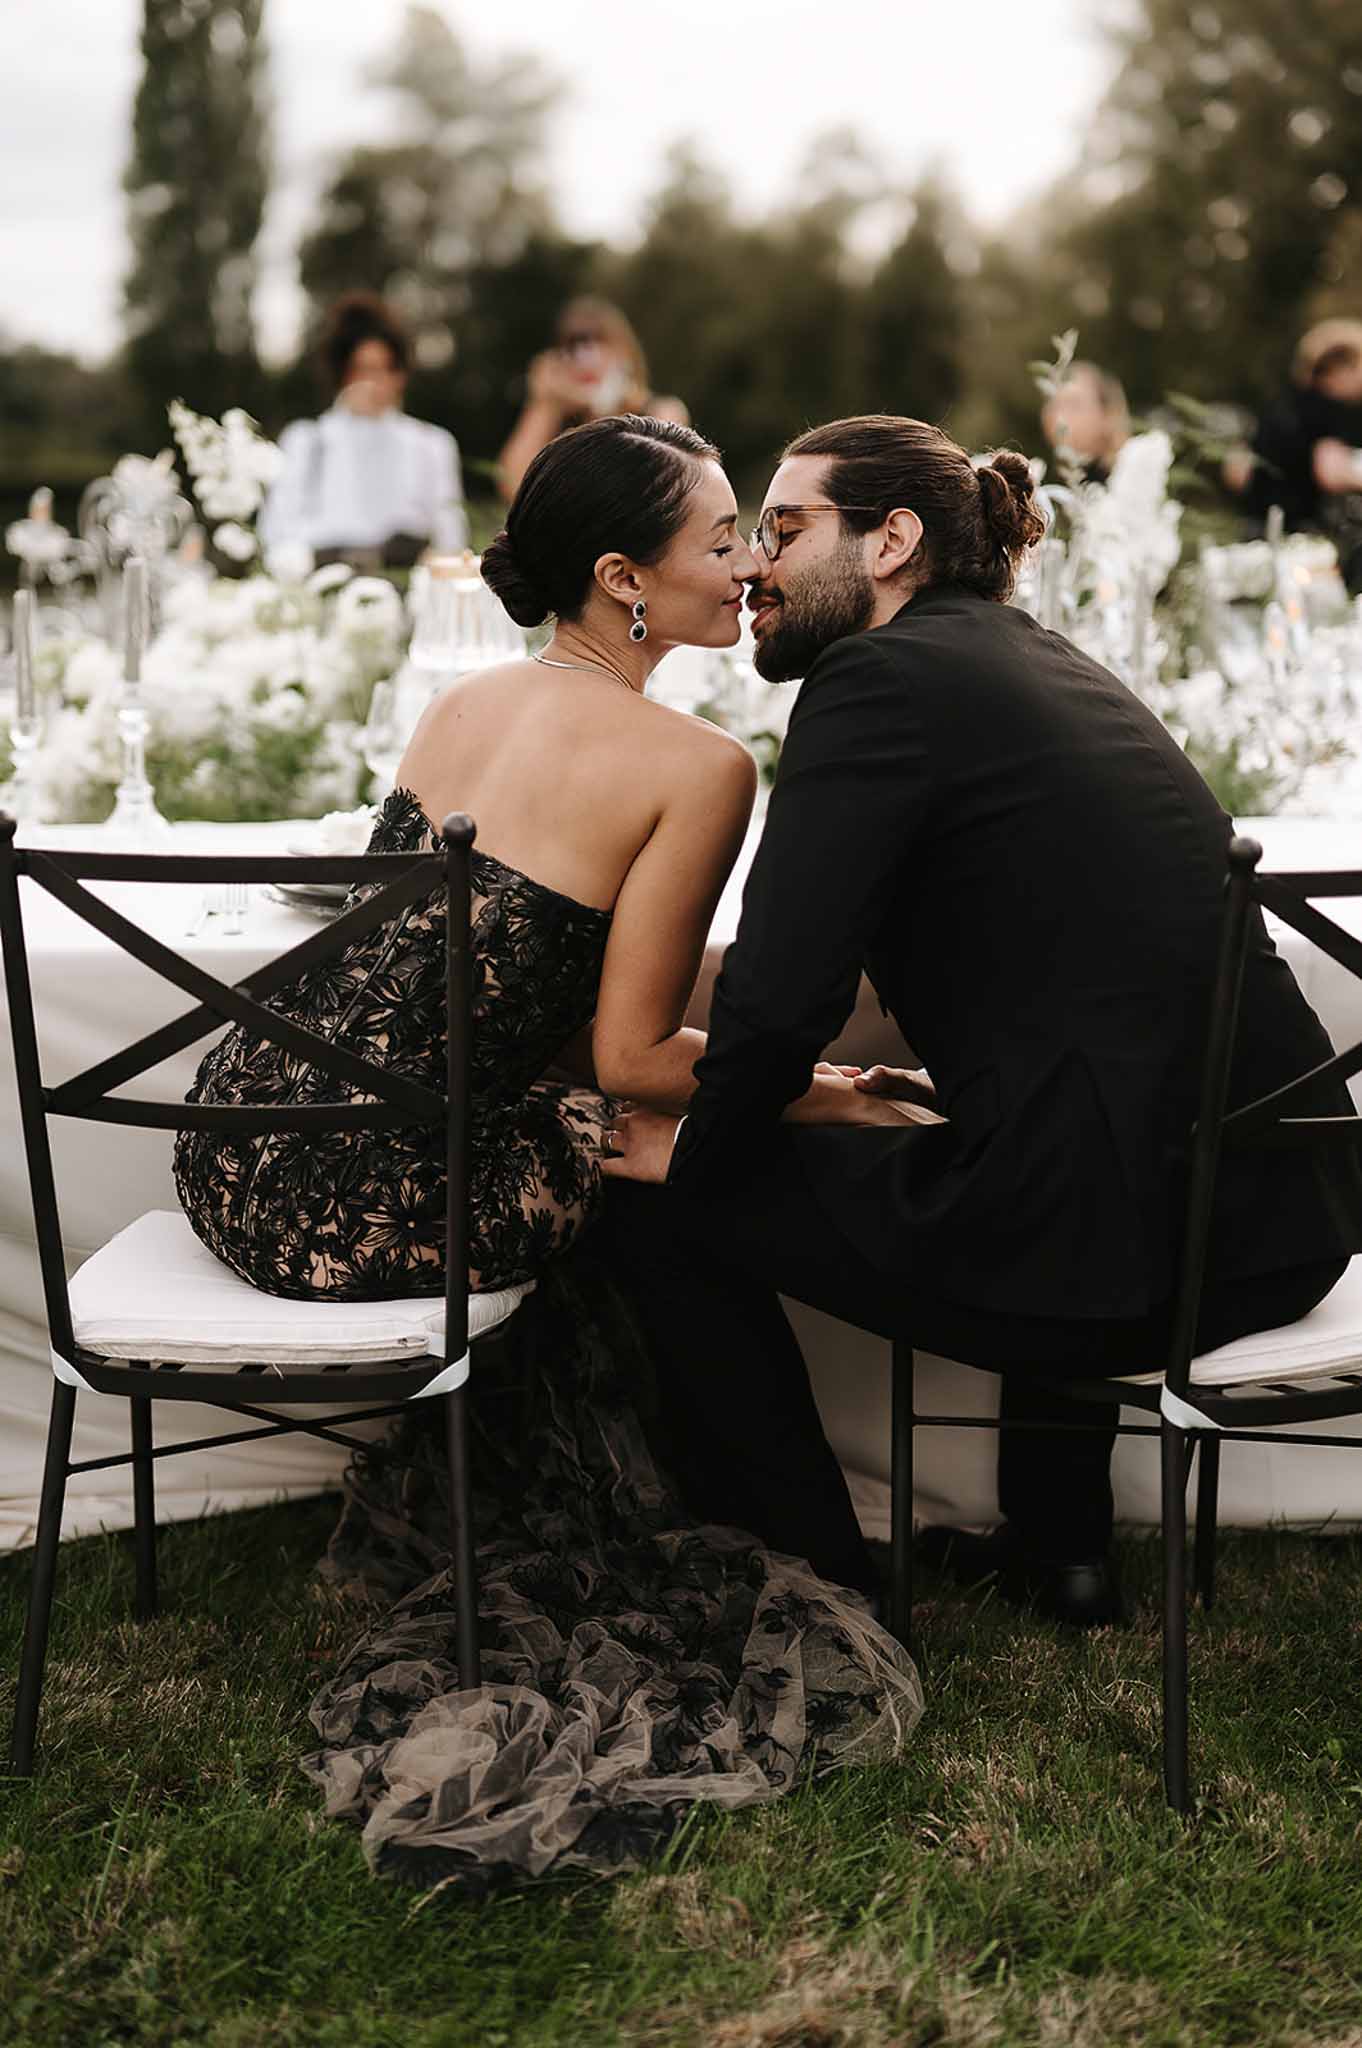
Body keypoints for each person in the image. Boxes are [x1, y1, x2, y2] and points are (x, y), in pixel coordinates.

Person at [173, 413, 920, 1887]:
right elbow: (628, 1060)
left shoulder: (466, 703)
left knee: (635, 1153)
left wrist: (753, 1052)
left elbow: (534, 1000)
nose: (751, 567)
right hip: (367, 1190)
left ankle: (773, 1510)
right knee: (676, 1170)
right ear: (621, 577)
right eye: (722, 541)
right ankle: (799, 1534)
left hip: (243, 1135)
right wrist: (827, 1089)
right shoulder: (698, 765)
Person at [601, 412, 1362, 1628]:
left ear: (891, 539)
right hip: (1280, 1211)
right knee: (1031, 1127)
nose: (754, 565)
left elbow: (783, 998)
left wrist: (696, 1141)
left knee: (656, 1201)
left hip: (1142, 1255)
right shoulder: (1025, 655)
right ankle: (1060, 1552)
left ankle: (819, 1582)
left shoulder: (873, 682)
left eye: (784, 529)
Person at [259, 292, 468, 570]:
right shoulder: (306, 441)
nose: (375, 383)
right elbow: (274, 533)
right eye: (363, 370)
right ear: (342, 375)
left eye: (385, 369)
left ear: (400, 375)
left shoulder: (433, 444)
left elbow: (452, 540)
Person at [497, 296, 690, 500]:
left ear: (625, 351)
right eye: (573, 348)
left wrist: (610, 404)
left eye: (599, 343)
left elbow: (657, 482)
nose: (587, 360)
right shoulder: (559, 424)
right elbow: (513, 486)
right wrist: (544, 402)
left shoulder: (661, 410)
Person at [1225, 319, 1362, 588]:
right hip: (1300, 547)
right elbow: (1331, 469)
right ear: (1341, 367)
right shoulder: (1328, 410)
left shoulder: (1282, 407)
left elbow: (1236, 471)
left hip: (1257, 535)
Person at [1040, 360, 1130, 482]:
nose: (1060, 417)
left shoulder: (1127, 477)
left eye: (1074, 405)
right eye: (1055, 404)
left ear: (1108, 415)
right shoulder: (1041, 480)